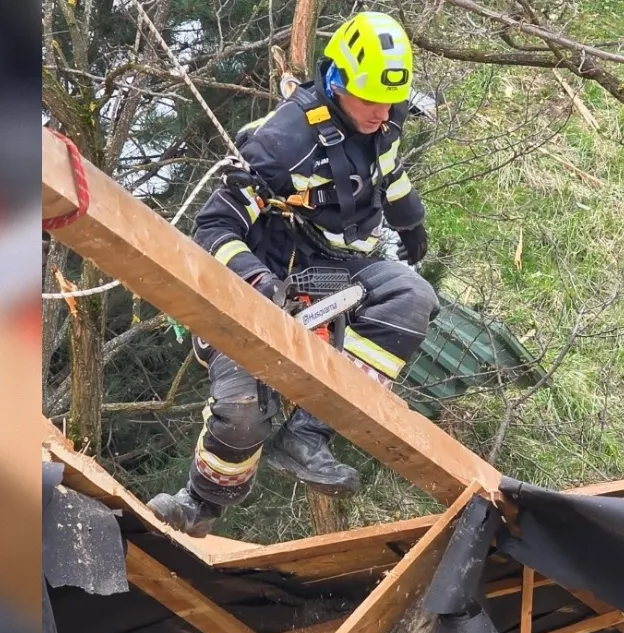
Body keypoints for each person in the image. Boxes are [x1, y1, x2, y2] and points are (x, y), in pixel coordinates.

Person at [148, 12, 437, 537]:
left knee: (410, 295)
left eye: (389, 101)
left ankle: (307, 435)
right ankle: (200, 504)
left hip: (329, 268)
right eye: (370, 100)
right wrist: (256, 283)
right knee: (242, 414)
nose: (381, 112)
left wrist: (410, 222)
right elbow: (212, 226)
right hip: (254, 282)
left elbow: (389, 170)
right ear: (337, 81)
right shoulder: (282, 142)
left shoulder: (386, 117)